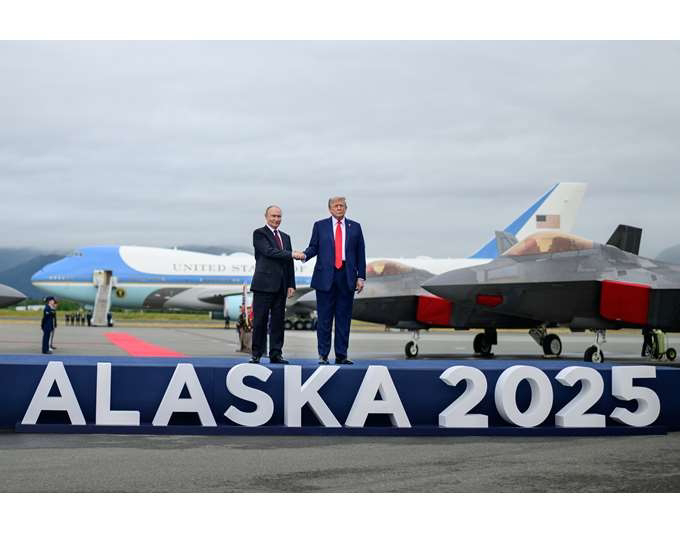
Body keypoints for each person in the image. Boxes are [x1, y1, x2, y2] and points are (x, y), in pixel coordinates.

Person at [302, 196, 366, 364]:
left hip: (347, 276)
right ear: (330, 209)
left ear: (346, 208)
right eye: (335, 206)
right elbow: (314, 247)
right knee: (324, 318)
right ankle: (323, 355)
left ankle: (341, 355)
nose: (339, 208)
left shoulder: (355, 227)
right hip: (325, 277)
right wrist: (304, 255)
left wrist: (361, 276)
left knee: (343, 318)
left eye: (341, 205)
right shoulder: (320, 226)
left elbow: (361, 253)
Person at [249, 205, 304, 364]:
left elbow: (289, 263)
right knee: (260, 321)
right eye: (273, 216)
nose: (276, 219)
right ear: (266, 216)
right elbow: (269, 251)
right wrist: (292, 254)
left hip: (281, 286)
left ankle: (276, 354)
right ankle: (257, 354)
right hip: (263, 285)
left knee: (278, 322)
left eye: (279, 216)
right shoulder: (259, 234)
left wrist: (291, 284)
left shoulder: (286, 237)